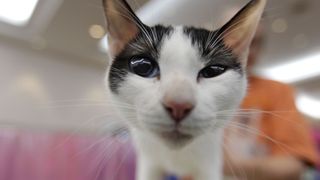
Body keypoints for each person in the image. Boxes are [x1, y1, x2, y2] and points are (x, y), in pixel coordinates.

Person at [223, 26, 319, 180]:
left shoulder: (277, 92)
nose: (246, 48)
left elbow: (295, 163)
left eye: (254, 42)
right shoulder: (197, 89)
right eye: (236, 39)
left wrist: (229, 167)